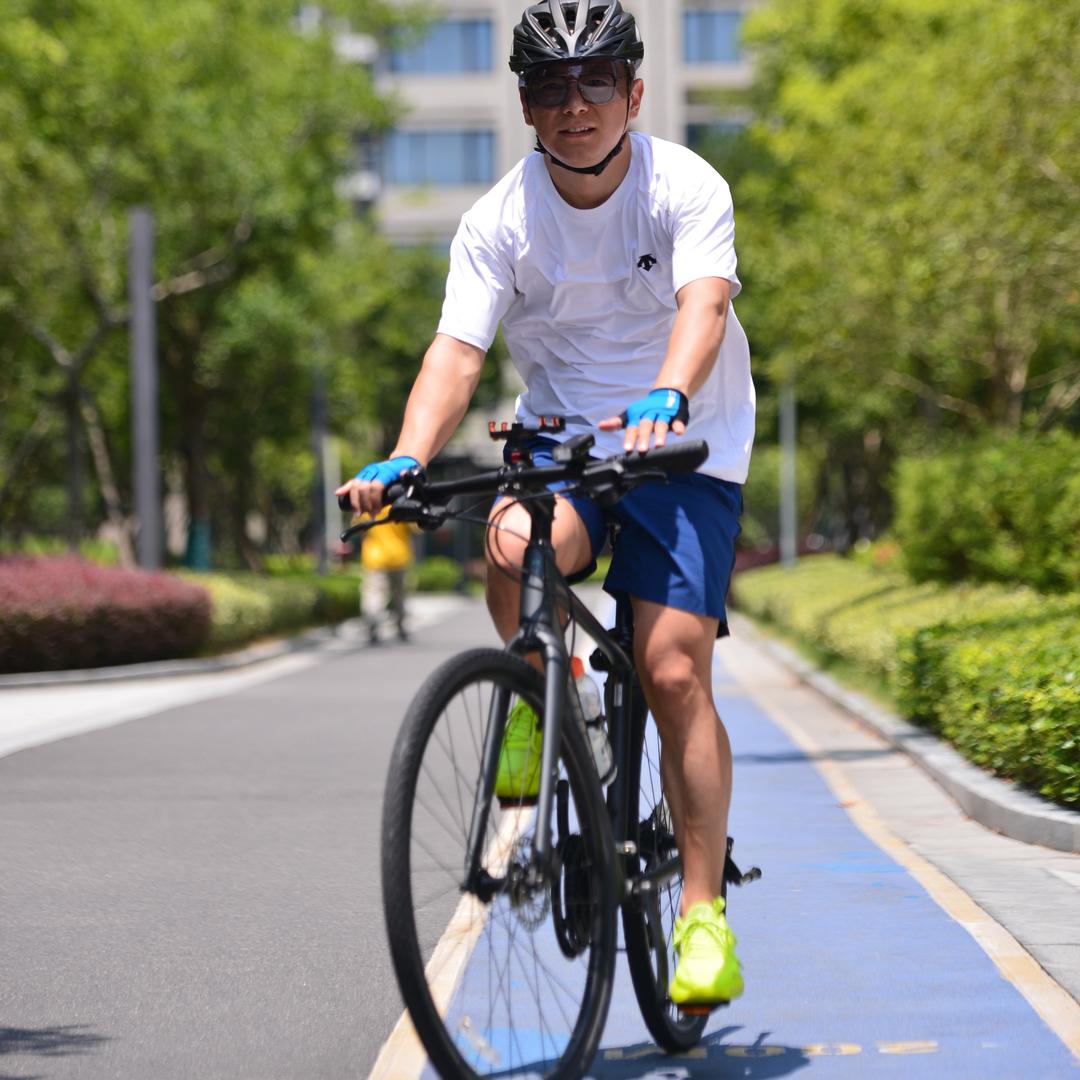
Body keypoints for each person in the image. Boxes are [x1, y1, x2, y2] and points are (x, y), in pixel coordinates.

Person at [336, 0, 754, 1010]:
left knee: (669, 668)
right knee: (514, 539)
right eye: (550, 87)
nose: (575, 106)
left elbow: (705, 304)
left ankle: (701, 915)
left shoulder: (684, 185)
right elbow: (458, 351)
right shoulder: (498, 222)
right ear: (525, 105)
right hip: (562, 437)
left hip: (683, 446)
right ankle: (543, 692)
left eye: (596, 82)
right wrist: (403, 457)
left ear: (634, 93)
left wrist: (666, 392)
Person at [358, 505, 414, 643]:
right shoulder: (401, 505)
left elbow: (359, 528)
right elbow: (415, 527)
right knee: (399, 595)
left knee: (374, 594)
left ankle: (372, 625)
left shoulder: (369, 506)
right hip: (399, 555)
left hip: (375, 557)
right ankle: (400, 626)